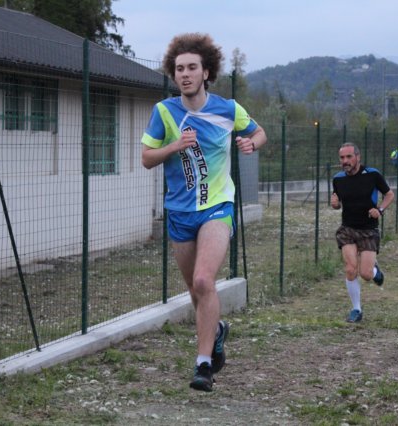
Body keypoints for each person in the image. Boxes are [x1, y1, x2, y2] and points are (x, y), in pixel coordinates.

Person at [141, 33, 267, 392]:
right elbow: (146, 158)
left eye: (192, 68)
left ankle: (203, 365)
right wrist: (174, 146)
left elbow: (259, 133)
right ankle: (218, 330)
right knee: (197, 293)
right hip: (180, 212)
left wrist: (250, 143)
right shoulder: (164, 112)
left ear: (206, 72)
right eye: (179, 69)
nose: (185, 74)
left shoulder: (228, 109)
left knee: (202, 281)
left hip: (217, 206)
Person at [331, 142, 395, 323]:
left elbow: (389, 194)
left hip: (368, 229)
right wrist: (335, 205)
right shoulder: (338, 179)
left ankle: (375, 271)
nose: (345, 161)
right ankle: (356, 309)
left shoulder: (372, 174)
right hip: (347, 229)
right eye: (342, 158)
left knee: (365, 274)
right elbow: (337, 202)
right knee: (351, 269)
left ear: (358, 157)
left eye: (349, 157)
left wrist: (380, 210)